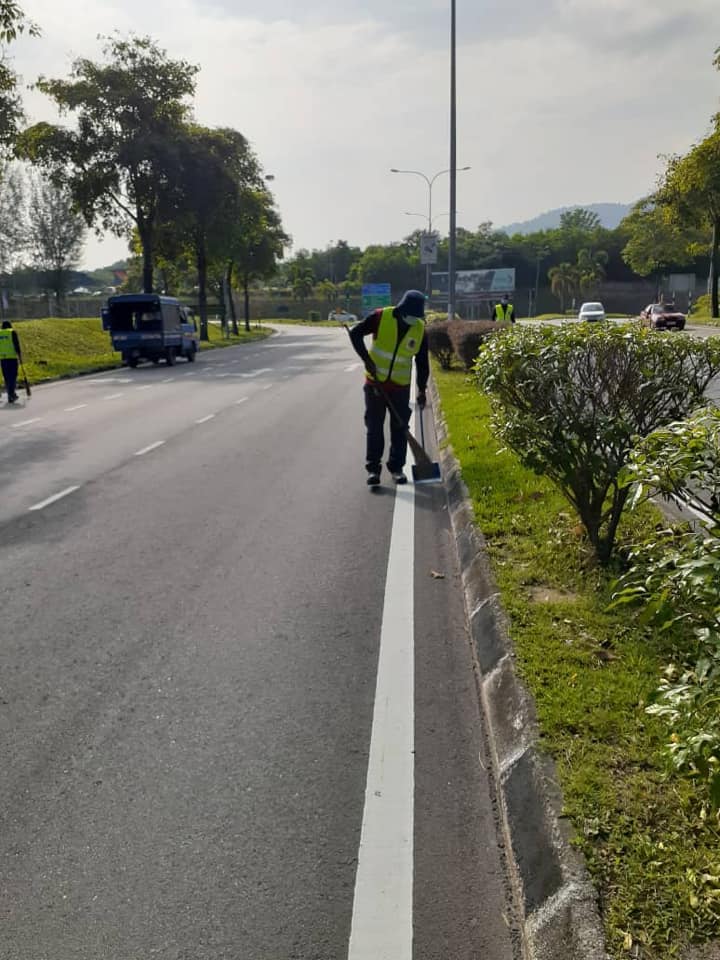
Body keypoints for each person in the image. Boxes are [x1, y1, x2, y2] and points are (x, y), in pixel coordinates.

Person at [349, 289, 429, 486]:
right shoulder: (380, 317)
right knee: (375, 428)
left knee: (400, 429)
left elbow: (422, 362)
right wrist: (366, 359)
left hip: (400, 388)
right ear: (402, 309)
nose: (413, 319)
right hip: (375, 384)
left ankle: (396, 468)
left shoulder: (419, 328)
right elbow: (356, 333)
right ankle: (373, 470)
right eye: (411, 315)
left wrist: (421, 389)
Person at [0, 320, 22, 404]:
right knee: (12, 377)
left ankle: (11, 393)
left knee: (7, 377)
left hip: (2, 359)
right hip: (12, 358)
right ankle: (11, 394)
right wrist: (19, 356)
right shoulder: (12, 332)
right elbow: (16, 345)